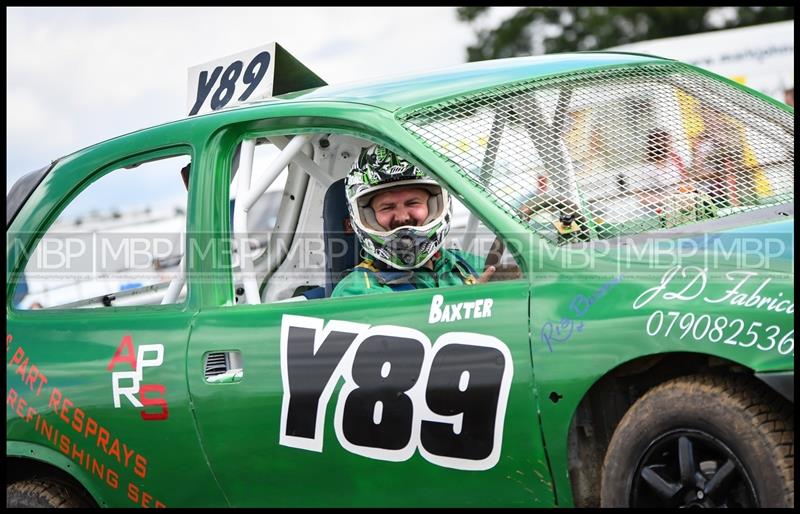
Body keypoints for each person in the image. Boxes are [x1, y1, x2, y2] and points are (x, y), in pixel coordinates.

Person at [331, 145, 495, 297]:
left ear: (434, 205)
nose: (402, 217)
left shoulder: (470, 264)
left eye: (413, 203)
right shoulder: (355, 290)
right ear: (368, 216)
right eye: (387, 207)